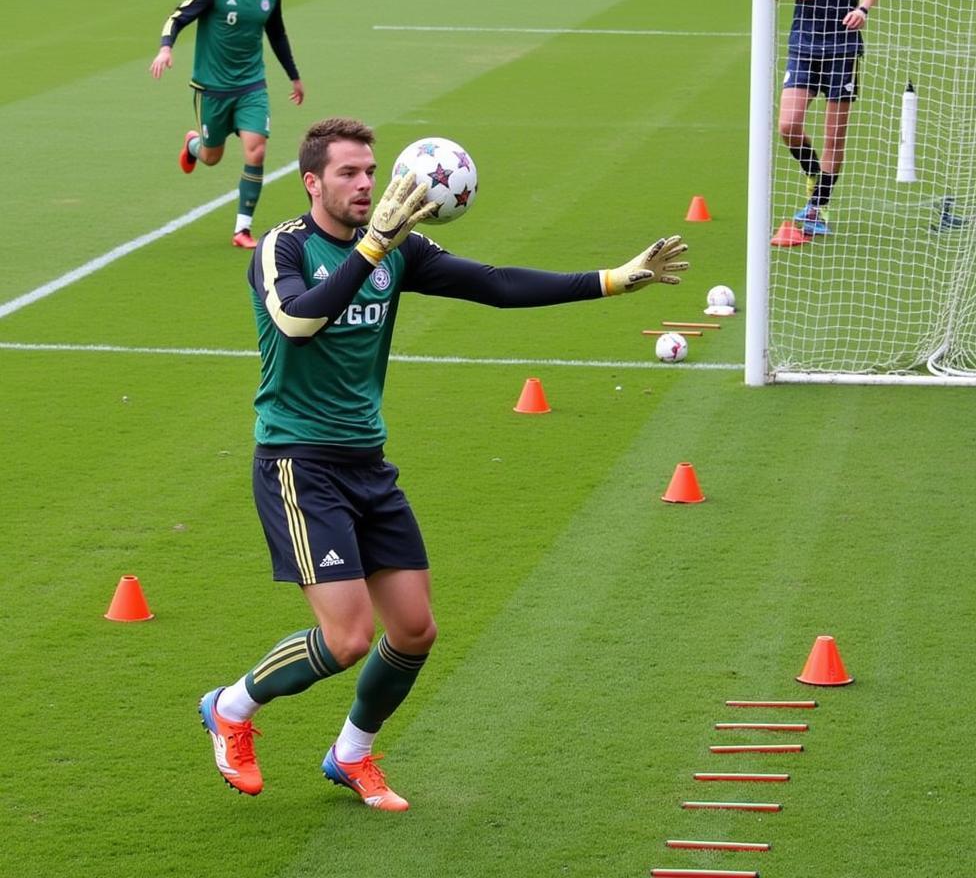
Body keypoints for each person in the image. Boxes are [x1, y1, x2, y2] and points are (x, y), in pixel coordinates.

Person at [197, 116, 689, 807]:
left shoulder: (399, 249)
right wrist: (370, 249)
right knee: (346, 638)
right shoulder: (286, 247)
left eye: (371, 171)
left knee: (414, 630)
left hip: (367, 463)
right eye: (349, 172)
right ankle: (230, 707)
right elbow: (298, 323)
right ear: (313, 182)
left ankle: (351, 754)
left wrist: (612, 280)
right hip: (297, 464)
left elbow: (495, 283)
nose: (367, 183)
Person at [149, 0, 304, 249]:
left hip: (251, 86)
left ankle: (242, 229)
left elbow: (277, 34)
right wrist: (166, 48)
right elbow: (178, 17)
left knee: (257, 150)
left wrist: (294, 76)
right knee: (211, 157)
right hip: (212, 89)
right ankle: (193, 145)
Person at [774, 0, 878, 237]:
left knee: (835, 137)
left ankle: (817, 206)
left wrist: (862, 9)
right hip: (803, 45)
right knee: (788, 125)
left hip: (842, 49)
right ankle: (815, 175)